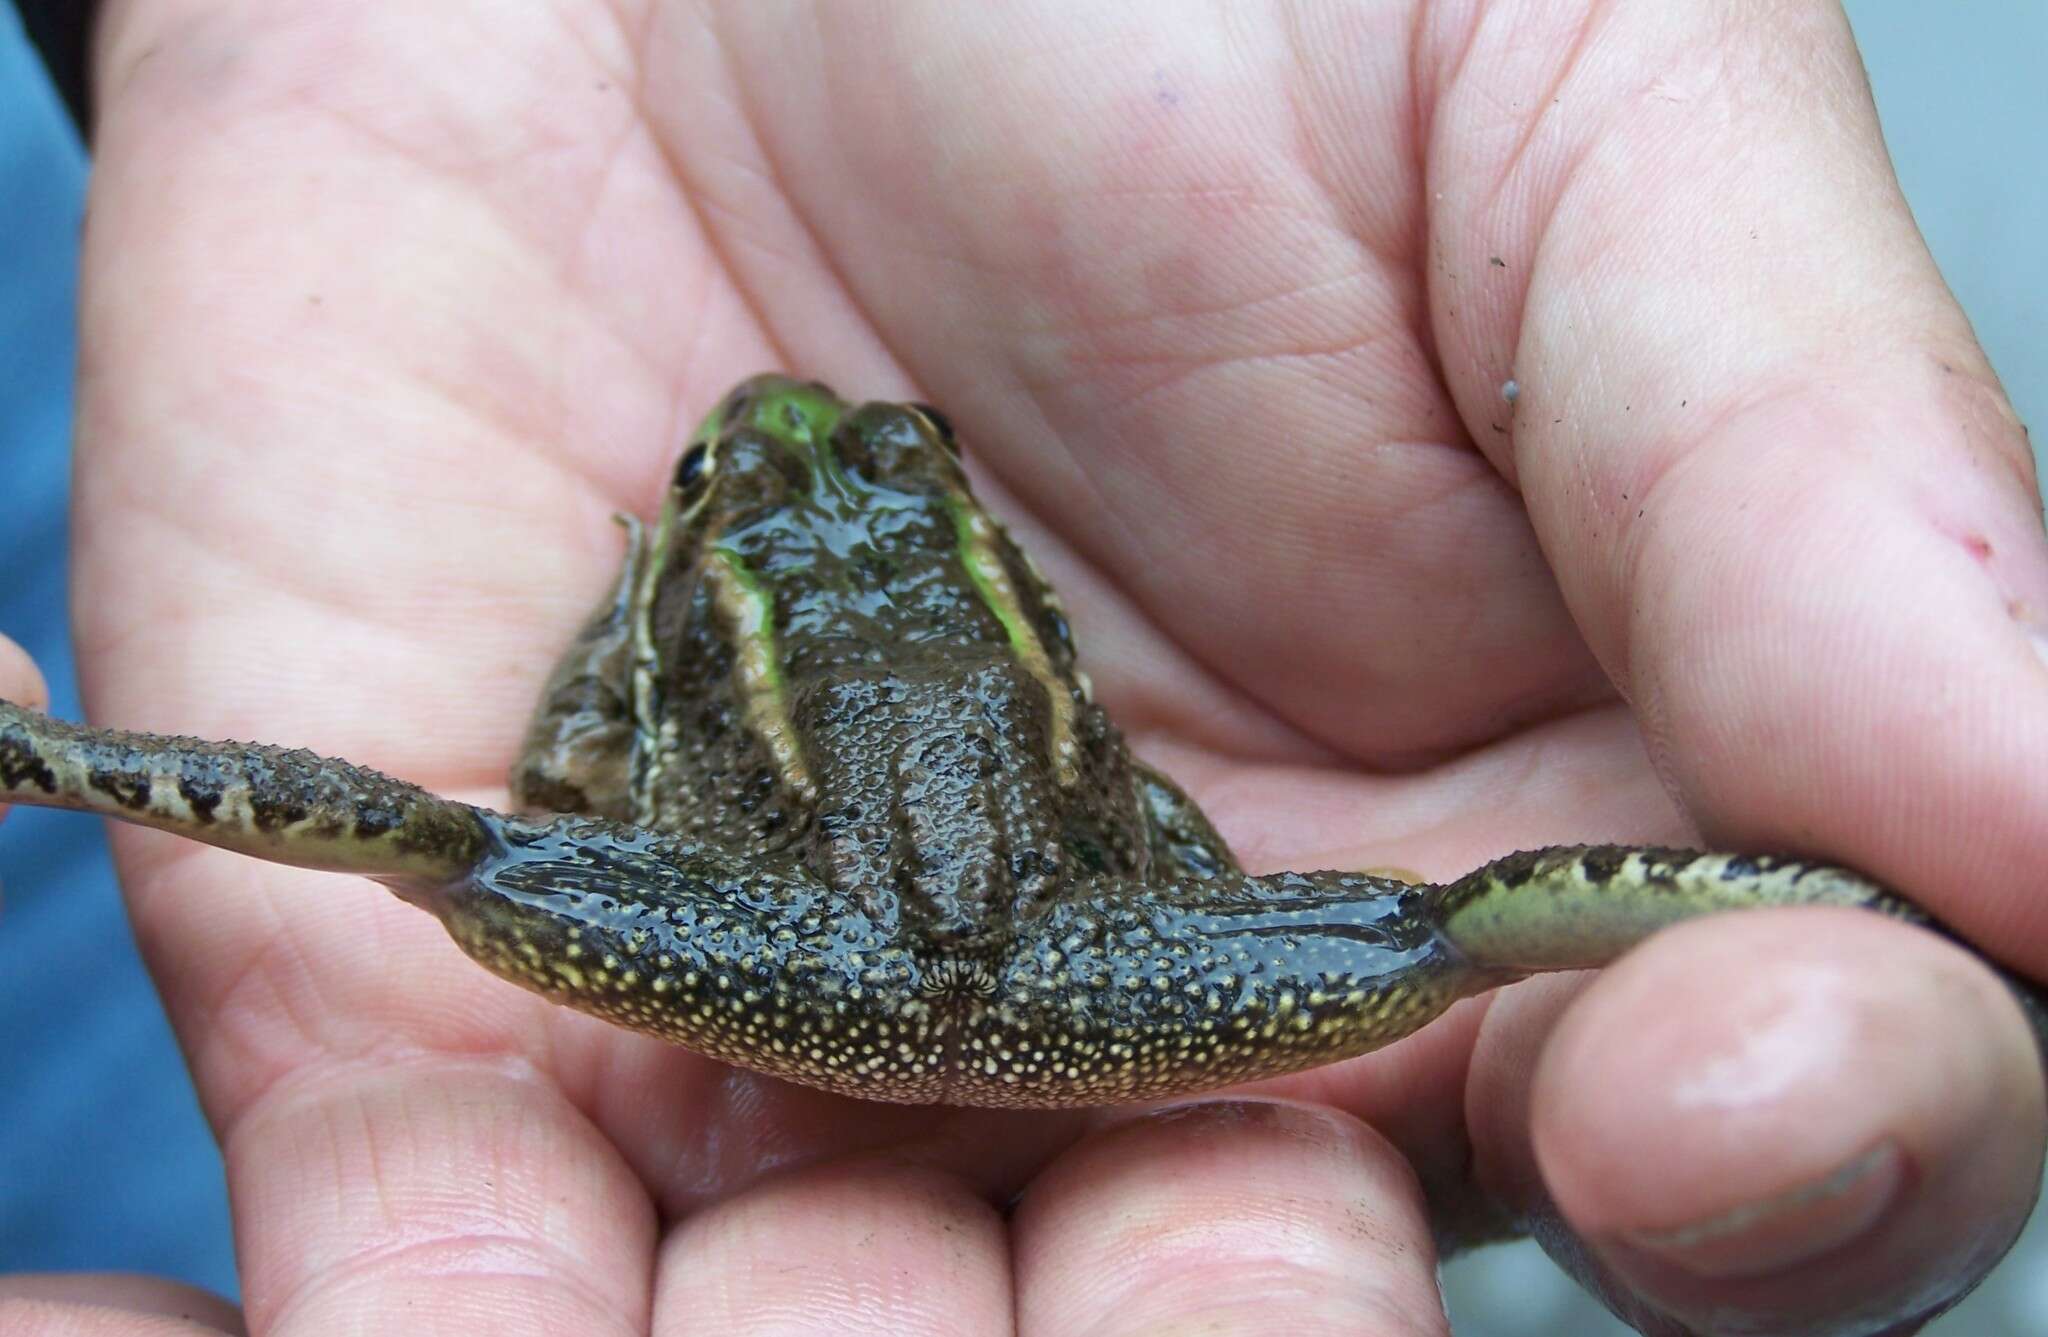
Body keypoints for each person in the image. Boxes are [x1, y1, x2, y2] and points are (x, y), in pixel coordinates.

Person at [6, 4, 2045, 1333]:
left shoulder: (673, 603)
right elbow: (1144, 815)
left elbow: (558, 777)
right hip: (1088, 988)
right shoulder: (1002, 609)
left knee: (427, 853)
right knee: (1444, 944)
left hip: (785, 964)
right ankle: (1796, 899)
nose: (771, 447)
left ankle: (59, 773)